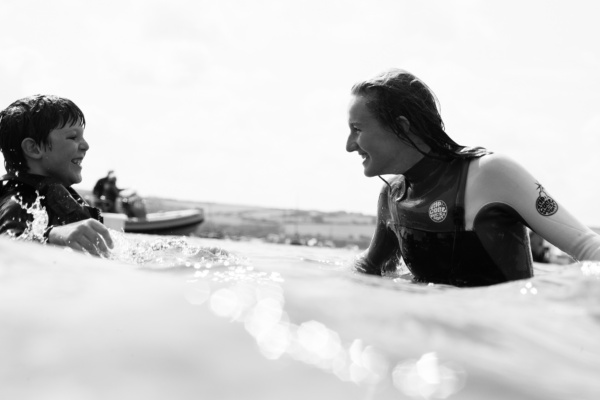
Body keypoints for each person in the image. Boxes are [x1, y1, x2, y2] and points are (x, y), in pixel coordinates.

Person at [346, 68, 600, 286]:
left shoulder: (490, 173)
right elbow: (368, 269)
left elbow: (589, 249)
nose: (349, 145)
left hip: (505, 338)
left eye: (357, 130)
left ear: (401, 127)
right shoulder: (393, 195)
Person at [0, 94, 113, 256]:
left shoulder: (58, 198)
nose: (86, 145)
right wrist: (53, 236)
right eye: (73, 137)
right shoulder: (17, 203)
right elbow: (7, 248)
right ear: (33, 148)